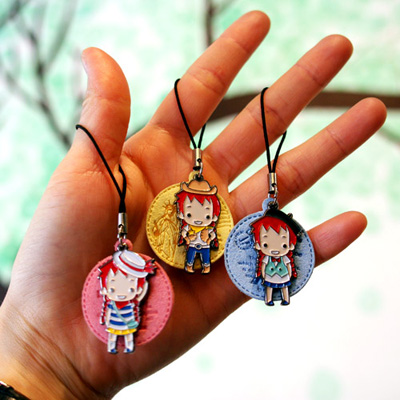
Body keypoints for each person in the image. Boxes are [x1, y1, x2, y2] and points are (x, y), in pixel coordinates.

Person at [0, 10, 386, 400]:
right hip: (168, 267)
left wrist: (41, 362)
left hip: (206, 252)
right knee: (189, 262)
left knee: (210, 259)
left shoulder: (234, 233)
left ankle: (262, 285)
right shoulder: (167, 237)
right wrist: (39, 355)